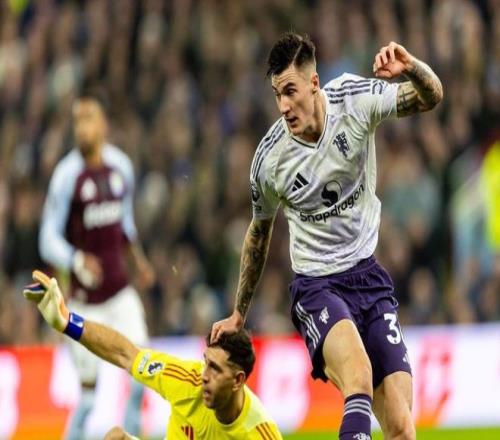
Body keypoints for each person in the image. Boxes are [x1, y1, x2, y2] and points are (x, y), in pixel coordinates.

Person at [211, 34, 443, 440]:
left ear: (314, 83)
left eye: (290, 91)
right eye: (277, 95)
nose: (283, 106)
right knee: (358, 376)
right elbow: (258, 235)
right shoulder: (270, 160)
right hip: (317, 286)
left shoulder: (354, 101)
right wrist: (239, 313)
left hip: (368, 278)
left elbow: (431, 96)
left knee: (402, 428)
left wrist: (410, 67)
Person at [23, 271, 283, 440]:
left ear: (238, 380)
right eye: (206, 363)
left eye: (215, 369)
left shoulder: (260, 433)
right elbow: (126, 354)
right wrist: (67, 322)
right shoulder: (186, 381)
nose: (205, 376)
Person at [38, 88, 155, 439]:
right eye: (76, 120)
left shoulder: (121, 167)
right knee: (89, 397)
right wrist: (76, 259)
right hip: (84, 302)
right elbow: (47, 238)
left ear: (104, 125)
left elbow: (125, 223)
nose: (81, 128)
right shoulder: (66, 176)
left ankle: (133, 433)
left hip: (120, 293)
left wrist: (139, 261)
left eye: (88, 119)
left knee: (143, 372)